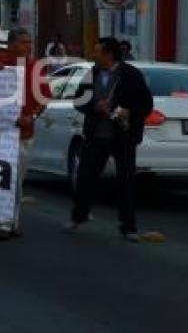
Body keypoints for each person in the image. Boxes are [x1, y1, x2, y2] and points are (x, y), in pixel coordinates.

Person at [67, 37, 153, 242]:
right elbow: (79, 100)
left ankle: (128, 227)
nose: (93, 55)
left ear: (108, 54)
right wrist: (94, 107)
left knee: (126, 182)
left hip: (122, 136)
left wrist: (129, 112)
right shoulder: (92, 74)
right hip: (96, 134)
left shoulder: (130, 75)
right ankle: (79, 216)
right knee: (85, 177)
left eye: (97, 52)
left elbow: (146, 104)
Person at [0, 27, 50, 240]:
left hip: (22, 132)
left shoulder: (35, 68)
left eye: (29, 42)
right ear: (11, 45)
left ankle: (11, 220)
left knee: (16, 180)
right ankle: (3, 221)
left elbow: (43, 99)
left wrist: (32, 116)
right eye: (23, 42)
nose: (28, 46)